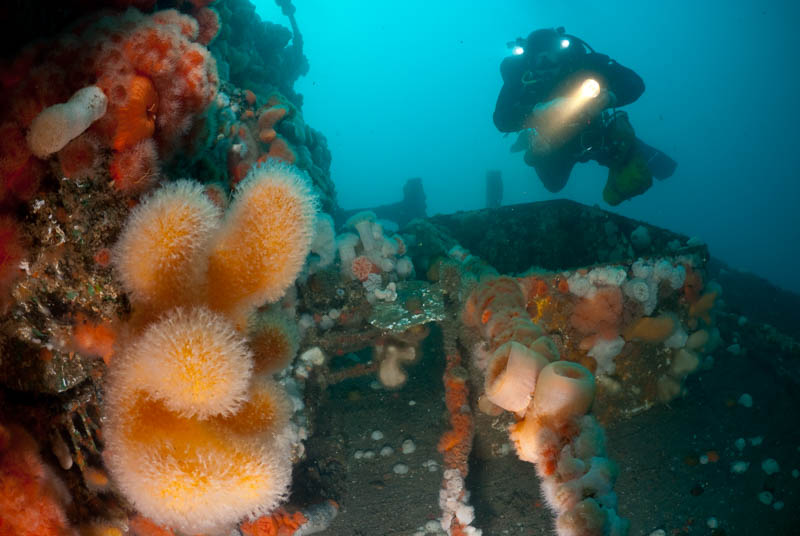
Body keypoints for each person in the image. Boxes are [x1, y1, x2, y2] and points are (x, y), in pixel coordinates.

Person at [494, 27, 676, 205]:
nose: (545, 64)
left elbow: (635, 83)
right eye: (538, 59)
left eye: (550, 56)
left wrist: (607, 97)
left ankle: (634, 149)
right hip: (552, 142)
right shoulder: (520, 79)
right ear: (528, 60)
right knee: (554, 185)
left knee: (646, 173)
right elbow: (501, 120)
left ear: (561, 53)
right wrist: (537, 111)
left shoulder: (585, 64)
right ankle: (531, 143)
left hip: (597, 135)